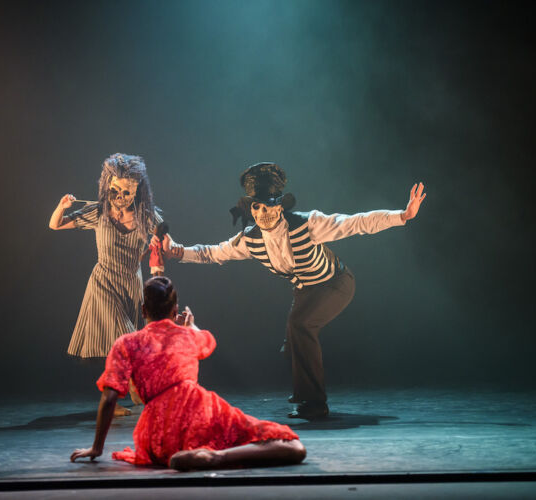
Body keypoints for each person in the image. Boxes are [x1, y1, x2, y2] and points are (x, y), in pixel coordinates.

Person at [161, 163, 426, 420]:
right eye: (258, 207)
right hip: (304, 291)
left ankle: (314, 404)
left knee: (300, 326)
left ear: (280, 207)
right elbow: (214, 253)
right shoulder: (250, 239)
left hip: (335, 283)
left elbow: (353, 223)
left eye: (270, 206)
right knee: (293, 344)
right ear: (252, 209)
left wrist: (401, 216)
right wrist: (178, 251)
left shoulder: (307, 224)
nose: (264, 213)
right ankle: (303, 392)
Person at [70, 276, 305, 471]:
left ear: (143, 310)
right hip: (197, 412)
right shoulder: (188, 335)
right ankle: (218, 457)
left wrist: (97, 448)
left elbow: (109, 397)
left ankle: (201, 456)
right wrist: (190, 325)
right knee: (292, 447)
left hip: (156, 435)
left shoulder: (126, 343)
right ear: (174, 310)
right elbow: (208, 341)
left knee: (171, 445)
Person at [49, 153, 160, 414]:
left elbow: (166, 243)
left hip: (132, 283)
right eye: (116, 189)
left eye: (128, 192)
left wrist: (159, 246)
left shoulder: (147, 216)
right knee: (123, 336)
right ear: (107, 185)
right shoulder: (98, 213)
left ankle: (112, 396)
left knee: (117, 343)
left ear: (137, 191)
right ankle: (131, 386)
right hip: (104, 282)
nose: (121, 196)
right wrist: (62, 206)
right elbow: (54, 225)